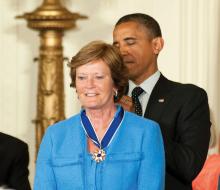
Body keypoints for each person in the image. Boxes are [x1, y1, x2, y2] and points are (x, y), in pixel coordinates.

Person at [34, 41, 165, 189]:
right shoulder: (55, 136)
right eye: (82, 77)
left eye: (99, 77)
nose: (89, 85)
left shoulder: (146, 132)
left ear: (115, 83)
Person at [113, 13, 211, 190]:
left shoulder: (188, 97)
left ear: (156, 45)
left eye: (130, 42)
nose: (121, 51)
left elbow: (189, 166)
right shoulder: (110, 99)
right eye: (116, 45)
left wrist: (138, 124)